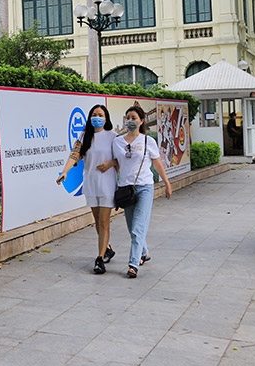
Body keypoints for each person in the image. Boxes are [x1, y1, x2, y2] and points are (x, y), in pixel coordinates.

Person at [57, 104, 120, 274]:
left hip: (107, 184)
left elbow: (121, 159)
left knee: (104, 222)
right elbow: (75, 155)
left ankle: (99, 259)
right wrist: (65, 172)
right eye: (94, 114)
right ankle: (107, 248)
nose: (97, 117)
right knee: (97, 221)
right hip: (91, 183)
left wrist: (111, 163)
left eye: (100, 114)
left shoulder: (113, 137)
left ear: (106, 118)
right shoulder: (84, 136)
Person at [113, 105, 173, 278]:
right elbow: (116, 163)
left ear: (141, 121)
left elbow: (157, 163)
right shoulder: (118, 142)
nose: (130, 121)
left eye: (134, 118)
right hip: (126, 189)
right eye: (128, 118)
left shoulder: (148, 141)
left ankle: (133, 264)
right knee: (132, 227)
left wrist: (167, 183)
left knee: (138, 227)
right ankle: (144, 252)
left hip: (145, 187)